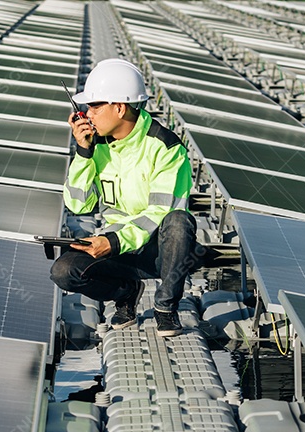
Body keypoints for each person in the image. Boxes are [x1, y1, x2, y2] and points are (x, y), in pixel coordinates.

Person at [50, 58, 199, 337]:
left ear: (119, 107)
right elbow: (78, 204)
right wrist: (83, 153)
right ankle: (126, 293)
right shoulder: (96, 145)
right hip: (119, 249)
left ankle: (166, 308)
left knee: (180, 222)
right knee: (63, 271)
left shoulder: (165, 147)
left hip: (161, 251)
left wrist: (114, 241)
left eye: (95, 106)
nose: (88, 114)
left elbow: (160, 212)